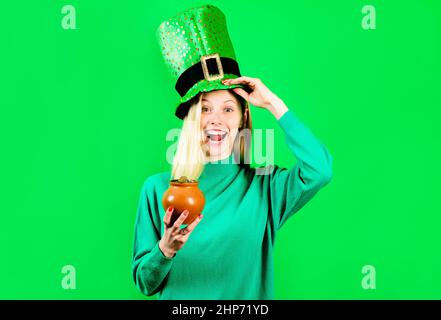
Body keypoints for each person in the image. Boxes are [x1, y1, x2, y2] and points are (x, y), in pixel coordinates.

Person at [132, 5, 333, 300]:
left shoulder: (266, 188)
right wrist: (165, 249)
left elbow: (320, 170)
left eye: (228, 108)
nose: (215, 119)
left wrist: (274, 104)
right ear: (192, 120)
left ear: (242, 119)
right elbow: (145, 283)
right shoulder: (157, 189)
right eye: (205, 109)